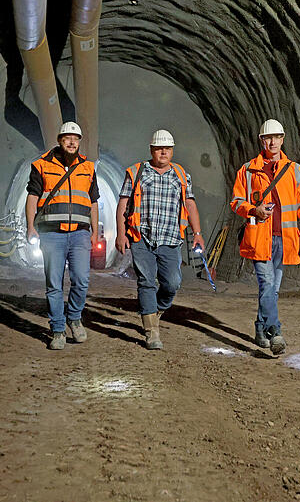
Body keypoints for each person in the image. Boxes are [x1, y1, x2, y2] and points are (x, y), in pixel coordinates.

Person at [230, 119, 300, 354]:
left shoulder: (295, 171)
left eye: (276, 137)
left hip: (285, 239)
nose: (272, 142)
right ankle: (276, 332)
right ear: (262, 140)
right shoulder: (248, 170)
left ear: (282, 139)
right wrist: (254, 209)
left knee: (273, 290)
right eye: (267, 138)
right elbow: (236, 201)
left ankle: (260, 328)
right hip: (260, 237)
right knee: (267, 284)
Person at [115, 129, 205, 350]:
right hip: (141, 237)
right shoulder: (137, 172)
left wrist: (198, 233)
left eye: (167, 148)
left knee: (172, 283)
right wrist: (120, 233)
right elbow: (123, 205)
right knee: (146, 281)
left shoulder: (181, 175)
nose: (163, 152)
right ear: (151, 150)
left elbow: (190, 204)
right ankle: (151, 331)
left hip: (171, 238)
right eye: (159, 148)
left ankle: (156, 311)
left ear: (172, 151)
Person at [26, 121, 100, 350]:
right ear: (59, 140)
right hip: (51, 235)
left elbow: (94, 201)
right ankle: (58, 330)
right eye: (67, 138)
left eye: (75, 138)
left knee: (81, 280)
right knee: (54, 284)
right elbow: (32, 197)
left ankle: (74, 318)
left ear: (79, 142)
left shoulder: (88, 168)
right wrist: (30, 226)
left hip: (79, 234)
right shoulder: (41, 165)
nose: (71, 142)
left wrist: (95, 230)